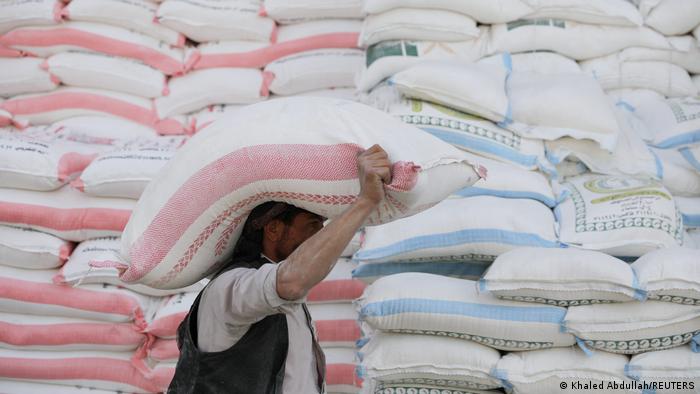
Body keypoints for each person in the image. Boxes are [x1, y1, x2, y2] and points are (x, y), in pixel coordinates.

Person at [168, 144, 392, 394]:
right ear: (273, 229)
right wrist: (365, 201)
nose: (320, 235)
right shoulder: (231, 286)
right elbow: (291, 282)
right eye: (311, 225)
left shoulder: (286, 302)